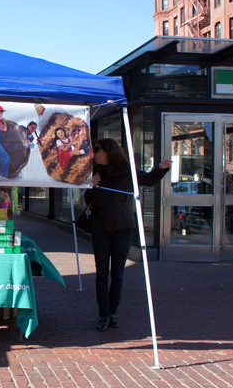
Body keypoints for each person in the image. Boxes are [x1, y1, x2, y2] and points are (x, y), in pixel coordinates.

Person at [84, 138, 171, 332]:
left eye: (97, 149)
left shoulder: (126, 173)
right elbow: (88, 201)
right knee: (101, 274)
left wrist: (161, 167)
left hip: (123, 228)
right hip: (100, 228)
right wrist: (90, 185)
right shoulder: (95, 174)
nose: (94, 153)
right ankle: (103, 314)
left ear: (108, 151)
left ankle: (112, 313)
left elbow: (148, 179)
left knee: (118, 274)